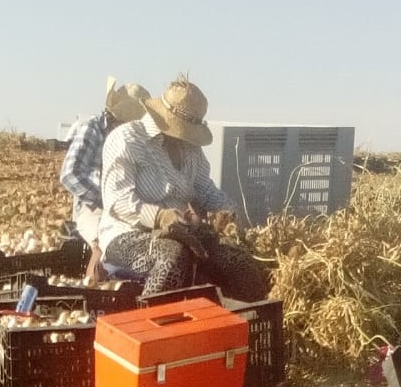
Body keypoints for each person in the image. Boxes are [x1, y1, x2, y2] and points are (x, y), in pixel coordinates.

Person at [98, 75, 269, 302]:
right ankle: (150, 329)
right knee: (172, 259)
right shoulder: (127, 139)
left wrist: (227, 213)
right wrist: (160, 216)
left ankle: (245, 325)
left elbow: (205, 189)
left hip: (183, 234)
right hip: (127, 234)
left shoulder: (191, 149)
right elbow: (118, 201)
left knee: (240, 262)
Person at [59, 77, 150, 281]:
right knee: (103, 244)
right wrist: (105, 199)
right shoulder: (93, 129)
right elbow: (69, 174)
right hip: (93, 206)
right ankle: (92, 293)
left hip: (125, 204)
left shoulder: (134, 138)